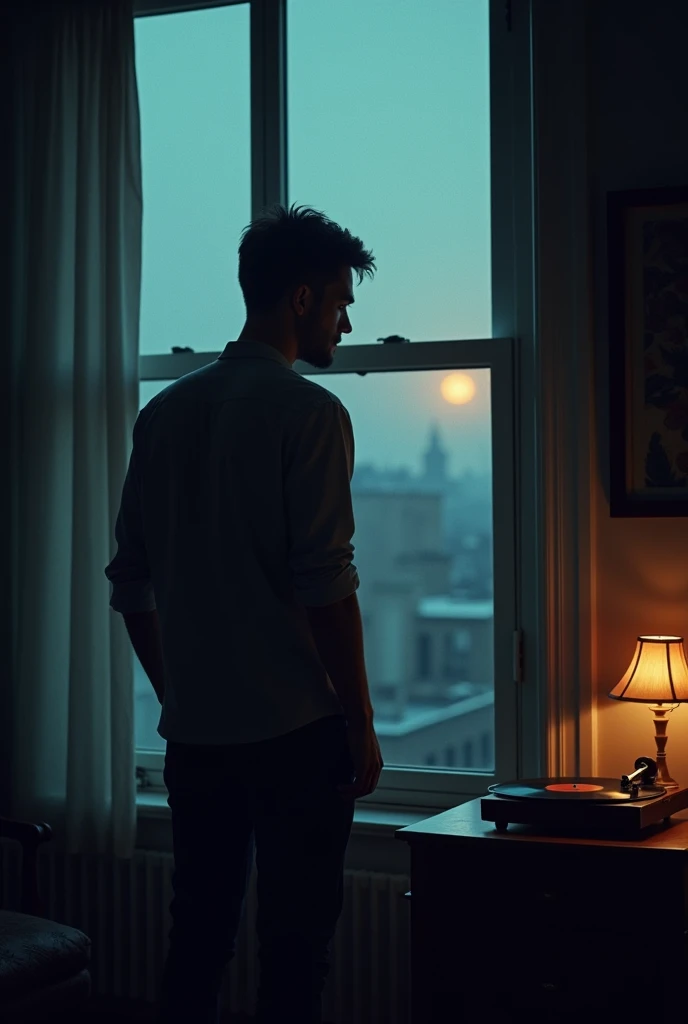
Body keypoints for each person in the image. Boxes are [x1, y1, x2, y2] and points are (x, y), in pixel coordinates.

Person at [104, 204, 384, 1024]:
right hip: (297, 734)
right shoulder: (311, 414)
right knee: (295, 953)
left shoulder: (164, 415)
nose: (347, 317)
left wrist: (178, 689)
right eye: (339, 299)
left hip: (198, 736)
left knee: (196, 939)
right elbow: (326, 584)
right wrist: (360, 720)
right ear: (301, 299)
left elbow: (130, 581)